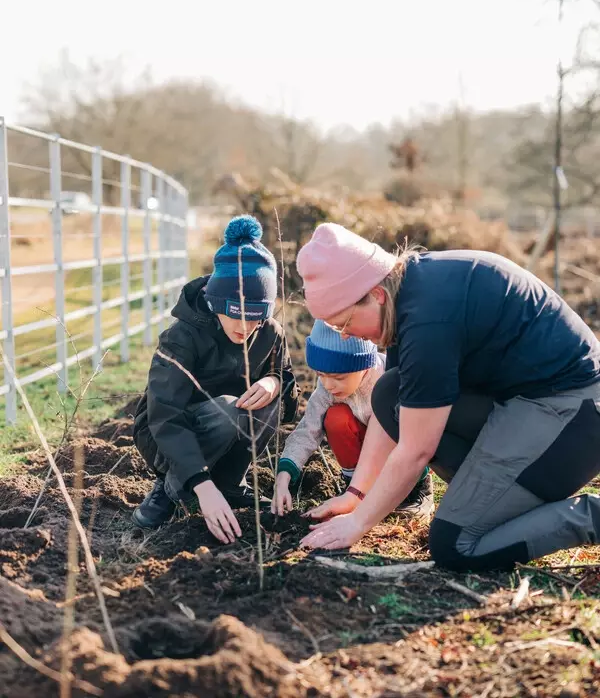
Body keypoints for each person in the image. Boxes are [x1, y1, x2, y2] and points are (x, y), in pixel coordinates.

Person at [295, 222, 600, 571]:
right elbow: (396, 410)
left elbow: (416, 449)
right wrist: (356, 498)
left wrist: (359, 524)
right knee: (389, 392)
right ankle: (499, 503)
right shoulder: (407, 293)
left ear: (375, 295)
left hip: (573, 418)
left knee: (456, 544)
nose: (346, 336)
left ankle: (590, 516)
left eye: (344, 322)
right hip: (520, 404)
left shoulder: (429, 321)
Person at [132, 215, 298, 544]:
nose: (245, 327)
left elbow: (288, 391)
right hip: (165, 435)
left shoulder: (270, 334)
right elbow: (164, 415)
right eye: (236, 313)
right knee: (227, 409)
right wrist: (201, 485)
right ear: (217, 301)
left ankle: (230, 483)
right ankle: (170, 487)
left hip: (226, 426)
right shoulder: (182, 336)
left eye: (256, 317)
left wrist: (275, 382)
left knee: (263, 402)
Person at [272, 319, 433, 518]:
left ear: (364, 365)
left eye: (339, 377)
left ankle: (417, 490)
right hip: (362, 455)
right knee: (336, 419)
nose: (329, 385)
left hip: (395, 447)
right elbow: (307, 430)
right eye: (321, 375)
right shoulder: (326, 390)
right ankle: (354, 489)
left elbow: (418, 430)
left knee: (401, 420)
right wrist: (283, 477)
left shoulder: (385, 376)